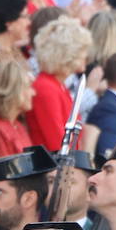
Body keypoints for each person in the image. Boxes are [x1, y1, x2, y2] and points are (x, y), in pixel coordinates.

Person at [26, 15, 91, 151]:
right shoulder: (46, 88)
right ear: (67, 53)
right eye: (81, 50)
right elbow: (58, 142)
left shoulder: (57, 85)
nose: (86, 55)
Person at [0, 58, 36, 158]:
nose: (33, 93)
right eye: (28, 87)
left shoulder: (17, 125)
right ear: (12, 90)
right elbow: (6, 171)